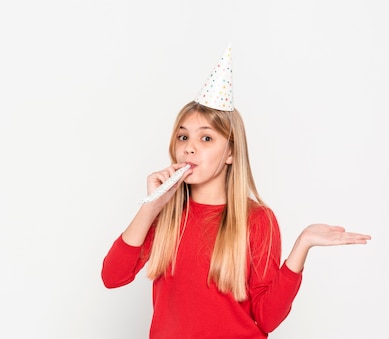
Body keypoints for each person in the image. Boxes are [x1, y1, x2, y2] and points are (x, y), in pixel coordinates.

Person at [100, 46, 371, 338]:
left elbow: (265, 319)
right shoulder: (167, 214)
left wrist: (301, 247)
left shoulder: (257, 219)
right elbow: (112, 277)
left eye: (206, 138)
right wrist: (151, 205)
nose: (189, 147)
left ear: (230, 152)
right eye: (183, 136)